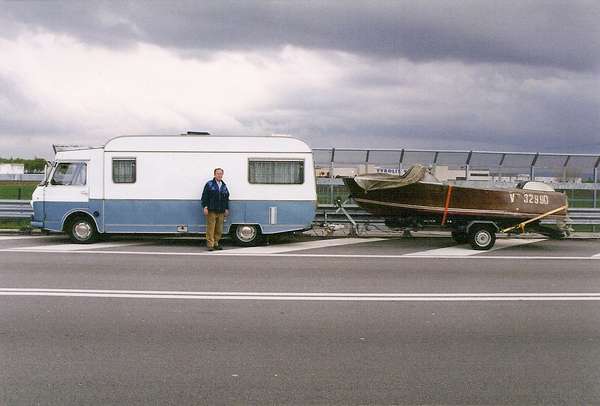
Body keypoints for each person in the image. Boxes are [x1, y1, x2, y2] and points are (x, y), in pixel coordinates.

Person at [201, 168, 230, 251]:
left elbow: (226, 198)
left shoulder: (224, 186)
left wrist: (226, 208)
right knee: (211, 228)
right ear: (214, 174)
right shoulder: (209, 184)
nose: (219, 175)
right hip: (211, 210)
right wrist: (205, 206)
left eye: (221, 173)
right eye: (218, 173)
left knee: (219, 229)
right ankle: (210, 244)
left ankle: (216, 243)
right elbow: (204, 197)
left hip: (221, 211)